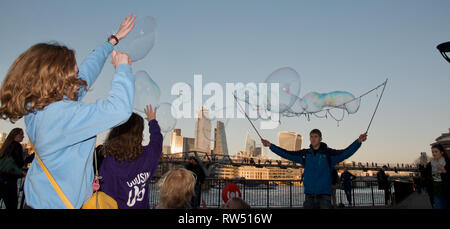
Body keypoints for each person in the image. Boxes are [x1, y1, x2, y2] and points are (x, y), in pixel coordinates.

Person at [0, 14, 137, 209]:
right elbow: (119, 109)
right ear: (58, 78)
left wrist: (112, 41)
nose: (78, 76)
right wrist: (122, 69)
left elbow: (87, 71)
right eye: (73, 73)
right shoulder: (58, 117)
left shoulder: (41, 106)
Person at [262, 129, 367, 209]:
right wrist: (270, 145)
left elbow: (345, 152)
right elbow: (287, 154)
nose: (313, 139)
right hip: (309, 196)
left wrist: (358, 141)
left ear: (320, 139)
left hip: (324, 197)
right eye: (311, 137)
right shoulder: (305, 154)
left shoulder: (329, 154)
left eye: (315, 137)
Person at [99, 106, 162, 209]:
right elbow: (157, 141)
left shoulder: (110, 162)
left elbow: (106, 195)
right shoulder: (148, 155)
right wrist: (152, 121)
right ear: (139, 134)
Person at [0, 128, 33, 209]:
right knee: (12, 206)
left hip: (1, 179)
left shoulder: (6, 146)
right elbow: (21, 163)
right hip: (9, 182)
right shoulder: (17, 146)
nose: (23, 136)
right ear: (15, 135)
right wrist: (34, 156)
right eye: (21, 134)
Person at [423, 144, 449, 209]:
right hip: (436, 194)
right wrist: (423, 166)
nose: (434, 154)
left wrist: (445, 172)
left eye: (436, 151)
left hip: (447, 193)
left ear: (442, 152)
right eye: (432, 152)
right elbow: (425, 176)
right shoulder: (430, 164)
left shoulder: (448, 163)